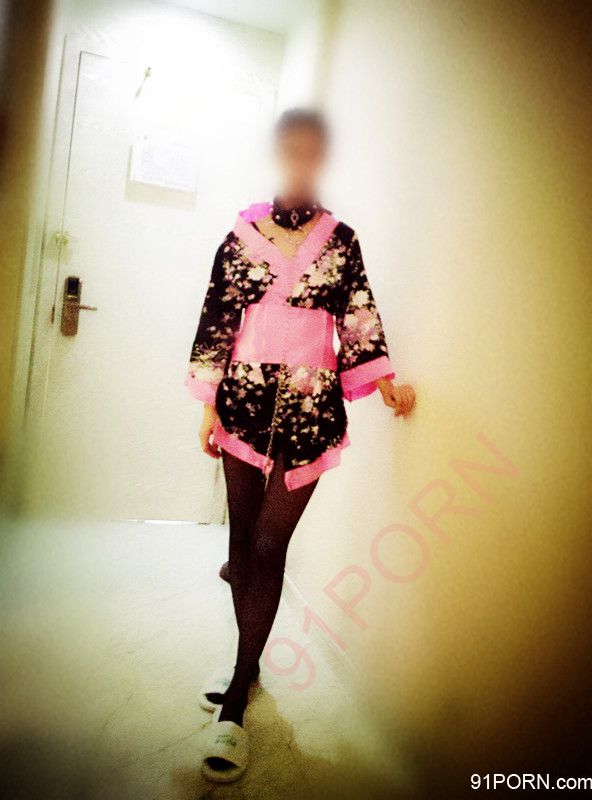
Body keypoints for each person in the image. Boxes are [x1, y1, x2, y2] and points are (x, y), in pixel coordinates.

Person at [186, 108, 416, 781]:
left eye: (312, 152)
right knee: (240, 543)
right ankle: (247, 666)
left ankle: (235, 698)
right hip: (242, 404)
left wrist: (387, 383)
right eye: (290, 150)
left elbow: (359, 317)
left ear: (323, 160)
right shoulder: (239, 238)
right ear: (277, 154)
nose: (300, 162)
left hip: (311, 412)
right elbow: (216, 321)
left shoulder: (341, 241)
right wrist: (206, 408)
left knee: (268, 547)